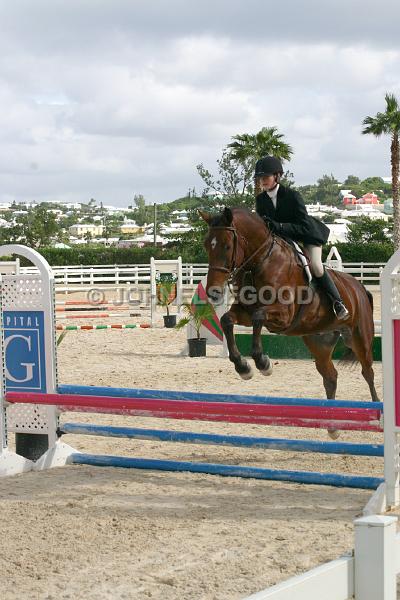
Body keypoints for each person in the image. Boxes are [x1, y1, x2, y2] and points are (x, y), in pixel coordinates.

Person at [254, 155, 349, 320]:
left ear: (276, 176)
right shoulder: (261, 200)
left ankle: (338, 303)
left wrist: (280, 226)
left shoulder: (292, 196)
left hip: (307, 235)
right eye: (260, 178)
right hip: (282, 240)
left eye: (265, 177)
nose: (262, 181)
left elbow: (303, 226)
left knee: (317, 266)